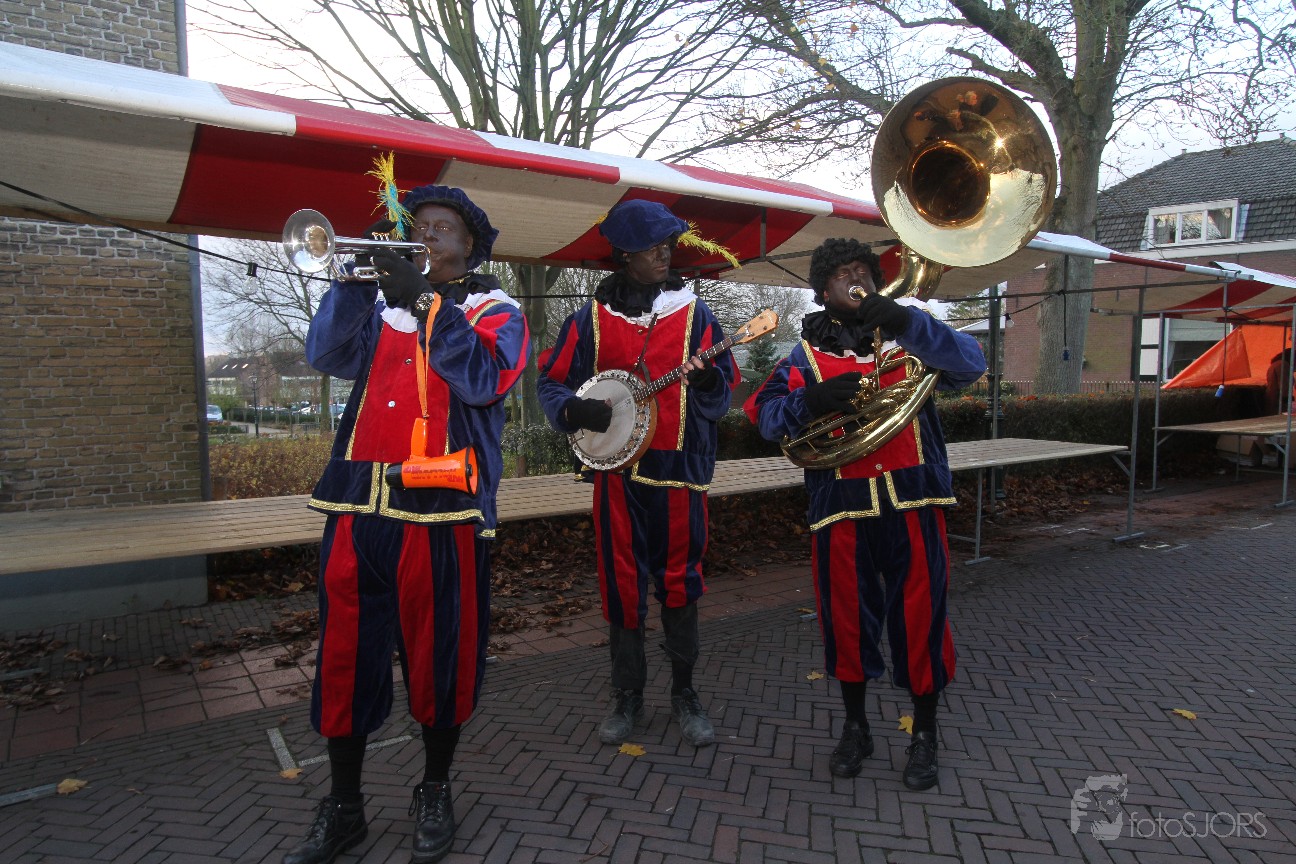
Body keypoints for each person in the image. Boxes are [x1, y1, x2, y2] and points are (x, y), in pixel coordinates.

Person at [284, 185, 530, 864]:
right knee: (344, 661)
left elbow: (484, 379)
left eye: (440, 228)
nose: (424, 236)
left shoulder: (496, 311)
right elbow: (325, 354)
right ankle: (345, 806)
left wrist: (424, 302)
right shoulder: (380, 311)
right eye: (415, 227)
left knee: (441, 655)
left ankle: (435, 789)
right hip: (356, 507)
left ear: (470, 246)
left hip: (442, 509)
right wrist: (353, 283)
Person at [745, 238, 985, 790]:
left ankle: (925, 732)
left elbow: (971, 364)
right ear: (822, 290)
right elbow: (763, 416)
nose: (855, 280)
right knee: (847, 622)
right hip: (840, 507)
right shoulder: (804, 357)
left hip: (914, 499)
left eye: (863, 271)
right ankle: (856, 727)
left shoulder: (912, 335)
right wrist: (811, 401)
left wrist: (907, 322)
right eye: (841, 274)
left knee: (922, 618)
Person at [536, 199, 736, 749]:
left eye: (667, 244)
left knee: (681, 584)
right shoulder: (590, 319)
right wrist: (573, 410)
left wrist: (708, 382)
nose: (664, 254)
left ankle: (685, 692)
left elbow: (725, 387)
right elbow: (551, 382)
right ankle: (627, 694)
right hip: (615, 475)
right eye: (652, 247)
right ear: (625, 255)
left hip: (679, 473)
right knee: (621, 584)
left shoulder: (697, 316)